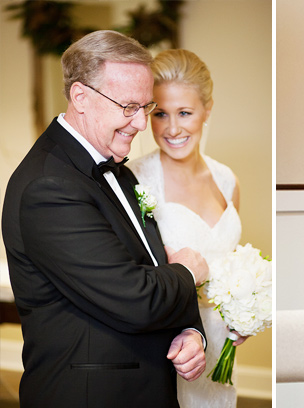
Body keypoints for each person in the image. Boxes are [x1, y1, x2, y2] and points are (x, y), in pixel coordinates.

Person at [1, 30, 208, 408]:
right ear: (80, 97)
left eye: (144, 107)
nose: (142, 124)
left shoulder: (118, 169)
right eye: (128, 106)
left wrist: (191, 330)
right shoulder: (49, 187)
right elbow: (136, 298)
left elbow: (154, 262)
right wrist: (189, 272)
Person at [128, 49, 246, 407]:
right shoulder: (135, 180)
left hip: (220, 344)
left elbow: (234, 267)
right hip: (168, 347)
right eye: (160, 114)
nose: (172, 128)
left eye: (184, 113)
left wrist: (244, 313)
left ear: (207, 111)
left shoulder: (227, 180)